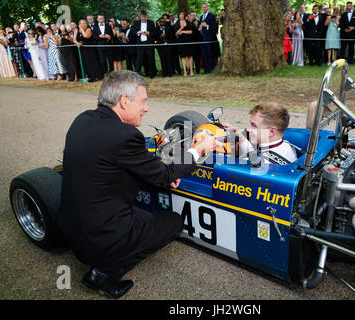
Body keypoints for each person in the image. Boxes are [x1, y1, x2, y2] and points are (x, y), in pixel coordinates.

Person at [56, 70, 220, 299]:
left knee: (144, 216)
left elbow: (109, 165)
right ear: (124, 101)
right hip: (99, 237)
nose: (146, 108)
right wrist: (197, 150)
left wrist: (158, 173)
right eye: (143, 101)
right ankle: (102, 273)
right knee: (173, 222)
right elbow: (163, 174)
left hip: (69, 226)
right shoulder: (125, 135)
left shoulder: (83, 118)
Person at [222, 103, 298, 165]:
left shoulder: (261, 164)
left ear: (271, 132)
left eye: (254, 126)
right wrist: (241, 139)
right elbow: (255, 155)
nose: (248, 129)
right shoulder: (287, 147)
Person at [130, 11, 157, 78]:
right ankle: (136, 74)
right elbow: (132, 33)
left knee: (150, 59)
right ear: (140, 16)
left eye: (144, 17)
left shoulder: (151, 23)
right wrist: (138, 33)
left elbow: (155, 33)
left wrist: (149, 33)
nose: (143, 18)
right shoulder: (136, 23)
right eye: (142, 17)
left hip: (149, 44)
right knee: (139, 59)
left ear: (146, 16)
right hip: (140, 44)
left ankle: (151, 74)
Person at [174, 12, 196, 76]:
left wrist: (183, 31)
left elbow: (191, 31)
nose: (182, 15)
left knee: (190, 56)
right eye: (180, 14)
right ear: (178, 15)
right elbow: (176, 33)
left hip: (188, 41)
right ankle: (185, 72)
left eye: (183, 14)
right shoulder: (177, 23)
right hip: (181, 42)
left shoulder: (188, 22)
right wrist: (181, 27)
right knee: (183, 57)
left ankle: (191, 71)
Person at [199, 3, 218, 73]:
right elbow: (201, 26)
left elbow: (214, 27)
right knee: (204, 54)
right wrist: (200, 28)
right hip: (202, 39)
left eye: (205, 7)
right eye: (202, 7)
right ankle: (206, 69)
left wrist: (207, 26)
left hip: (210, 39)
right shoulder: (201, 17)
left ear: (207, 8)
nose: (203, 9)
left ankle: (211, 69)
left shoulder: (212, 16)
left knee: (210, 54)